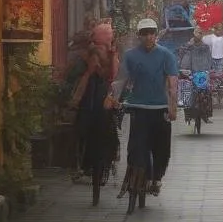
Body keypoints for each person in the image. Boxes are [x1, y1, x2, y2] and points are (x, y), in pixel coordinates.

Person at [108, 18, 178, 197]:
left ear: (156, 34)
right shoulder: (131, 56)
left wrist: (172, 107)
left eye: (152, 33)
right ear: (139, 36)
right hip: (137, 107)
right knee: (136, 146)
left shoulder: (166, 55)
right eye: (145, 33)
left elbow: (172, 84)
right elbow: (121, 79)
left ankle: (156, 178)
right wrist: (113, 98)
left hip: (160, 108)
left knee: (162, 147)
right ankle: (137, 173)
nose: (149, 37)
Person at [70, 47, 117, 198]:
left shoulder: (110, 72)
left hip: (104, 112)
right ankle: (84, 166)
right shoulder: (86, 75)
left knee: (109, 136)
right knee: (83, 134)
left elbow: (118, 82)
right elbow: (79, 93)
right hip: (89, 112)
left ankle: (107, 160)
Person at [203, 22, 223, 98]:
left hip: (221, 60)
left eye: (220, 29)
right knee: (212, 78)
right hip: (211, 60)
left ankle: (221, 95)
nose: (218, 31)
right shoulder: (209, 37)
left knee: (221, 77)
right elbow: (203, 41)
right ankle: (214, 95)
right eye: (217, 29)